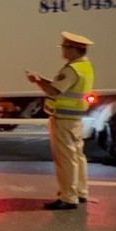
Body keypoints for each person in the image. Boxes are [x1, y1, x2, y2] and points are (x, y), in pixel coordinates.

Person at [27, 31, 95, 210]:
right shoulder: (84, 66)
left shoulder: (71, 69)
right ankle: (81, 192)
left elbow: (54, 92)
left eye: (64, 47)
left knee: (65, 158)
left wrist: (36, 81)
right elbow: (63, 87)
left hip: (64, 118)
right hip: (75, 117)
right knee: (77, 156)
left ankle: (68, 197)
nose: (62, 50)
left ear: (73, 49)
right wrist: (43, 80)